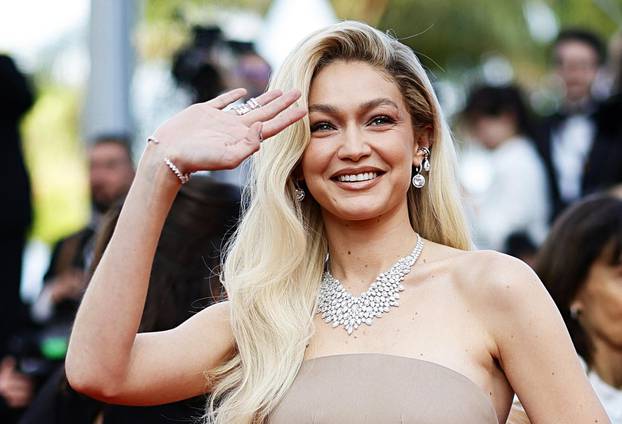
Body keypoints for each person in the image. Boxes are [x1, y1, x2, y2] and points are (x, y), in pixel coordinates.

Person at [65, 21, 609, 423]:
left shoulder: (496, 287)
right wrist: (161, 169)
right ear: (297, 157)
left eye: (378, 120)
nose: (353, 147)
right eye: (323, 127)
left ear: (420, 140)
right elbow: (98, 372)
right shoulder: (260, 316)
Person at [31, 135, 135, 328]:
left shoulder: (154, 237)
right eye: (92, 167)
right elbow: (35, 312)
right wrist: (55, 292)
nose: (98, 177)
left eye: (110, 166)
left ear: (133, 172)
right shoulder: (67, 244)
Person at [535, 28, 622, 219]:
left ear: (598, 68)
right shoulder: (540, 128)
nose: (573, 73)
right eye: (565, 64)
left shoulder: (616, 120)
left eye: (582, 65)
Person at [461, 84, 550, 252]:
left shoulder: (518, 161)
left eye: (479, 123)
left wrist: (467, 203)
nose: (477, 133)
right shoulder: (510, 158)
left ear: (507, 117)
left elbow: (508, 228)